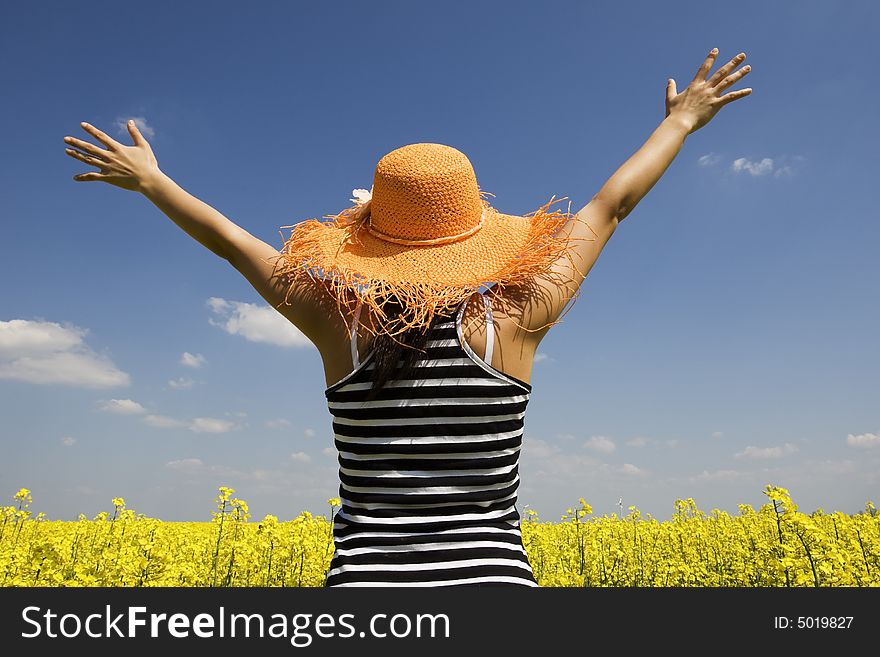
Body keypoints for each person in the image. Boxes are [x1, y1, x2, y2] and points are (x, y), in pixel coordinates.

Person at [63, 48, 752, 586]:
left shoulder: (339, 324)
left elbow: (231, 243)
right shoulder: (515, 318)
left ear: (372, 239)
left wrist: (153, 181)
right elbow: (610, 205)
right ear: (476, 226)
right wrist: (681, 121)